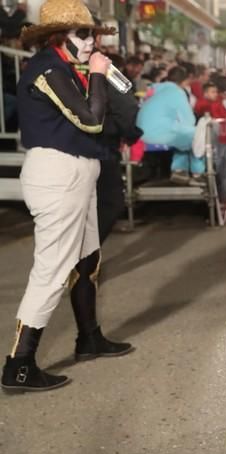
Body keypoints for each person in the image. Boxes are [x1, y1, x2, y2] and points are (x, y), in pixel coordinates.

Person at [2, 0, 133, 393]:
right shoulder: (47, 68)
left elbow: (126, 102)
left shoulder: (69, 69)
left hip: (79, 173)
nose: (92, 41)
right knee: (52, 270)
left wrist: (105, 74)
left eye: (92, 33)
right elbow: (92, 120)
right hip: (58, 176)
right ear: (58, 37)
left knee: (87, 259)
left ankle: (88, 338)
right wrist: (95, 75)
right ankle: (19, 364)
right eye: (83, 34)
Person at [96, 52, 142, 242]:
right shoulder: (109, 69)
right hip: (103, 143)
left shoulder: (55, 65)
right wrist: (130, 134)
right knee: (111, 201)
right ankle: (83, 258)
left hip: (63, 145)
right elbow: (128, 107)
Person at [137, 66, 200, 185]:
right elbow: (188, 120)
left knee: (182, 133)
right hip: (159, 133)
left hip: (142, 132)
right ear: (185, 81)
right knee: (195, 134)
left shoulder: (154, 89)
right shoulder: (176, 91)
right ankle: (187, 171)